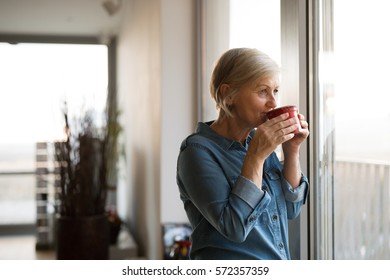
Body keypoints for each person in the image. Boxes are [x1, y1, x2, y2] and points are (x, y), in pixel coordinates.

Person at [176, 48, 310, 260]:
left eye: (275, 91)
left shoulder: (257, 142)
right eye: (262, 91)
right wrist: (255, 158)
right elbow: (235, 228)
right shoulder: (196, 152)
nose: (273, 103)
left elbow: (291, 209)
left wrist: (291, 149)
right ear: (227, 95)